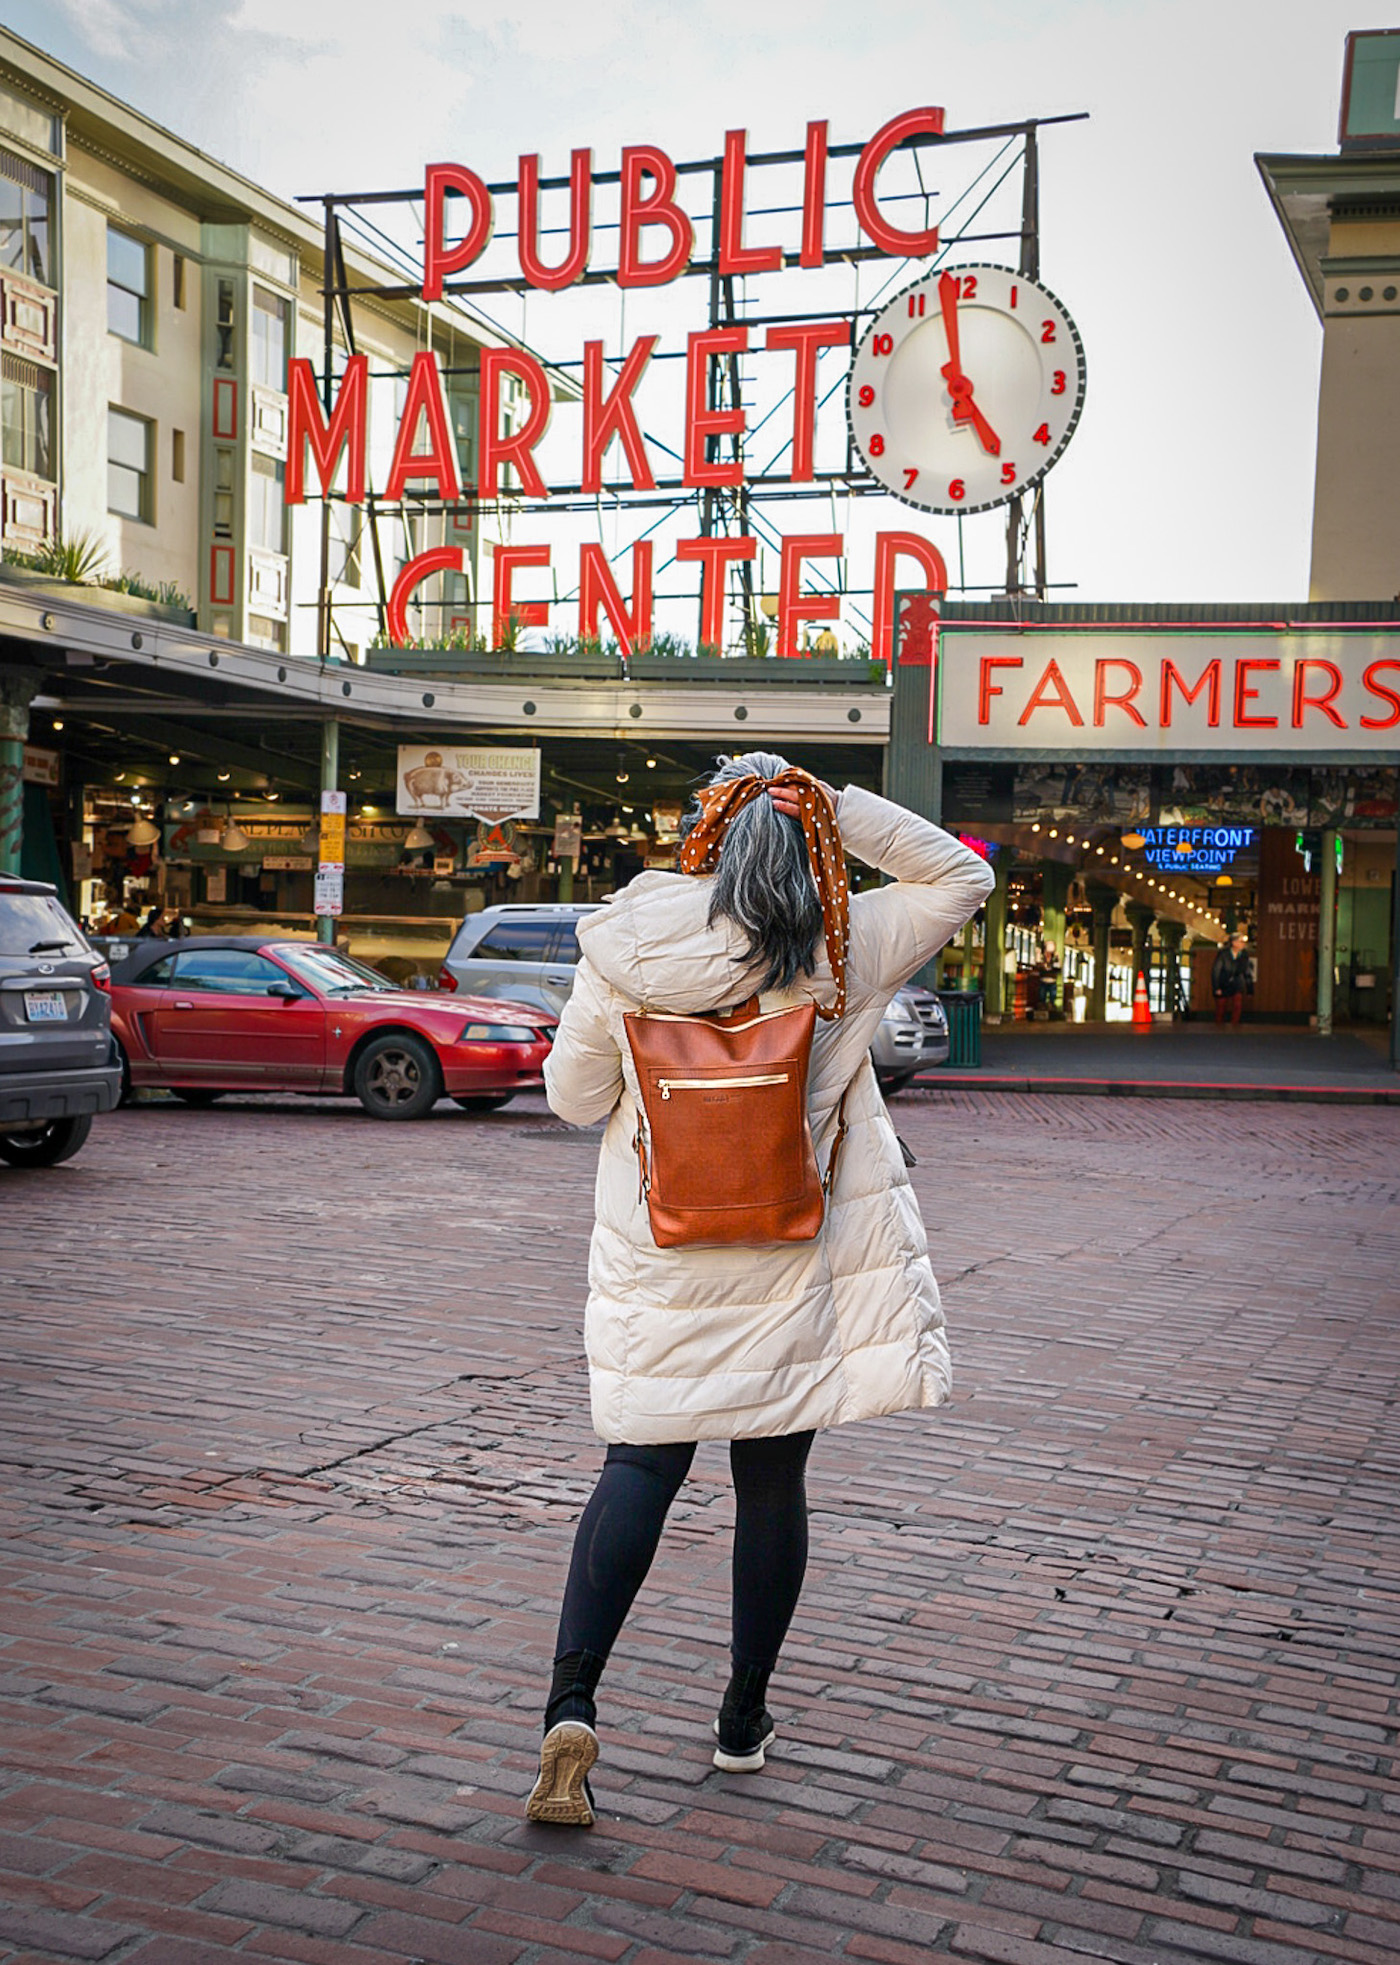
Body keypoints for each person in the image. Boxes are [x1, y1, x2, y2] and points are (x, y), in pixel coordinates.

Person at [527, 751, 995, 1827]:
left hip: (661, 1257)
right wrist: (831, 801)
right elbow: (958, 877)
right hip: (788, 1258)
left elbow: (569, 1098)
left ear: (704, 837)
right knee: (770, 1487)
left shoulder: (627, 945)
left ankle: (571, 1706)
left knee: (639, 1465)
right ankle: (741, 1719)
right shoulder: (844, 940)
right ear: (806, 839)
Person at [1211, 930, 1252, 1027]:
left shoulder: (1244, 955)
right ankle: (1218, 1028)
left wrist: (1250, 988)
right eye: (1241, 941)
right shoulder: (1223, 954)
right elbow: (1216, 970)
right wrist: (1216, 987)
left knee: (1238, 1006)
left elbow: (1246, 971)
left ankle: (1235, 1027)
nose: (1243, 944)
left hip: (1237, 983)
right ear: (1234, 943)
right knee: (1221, 1008)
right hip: (1223, 982)